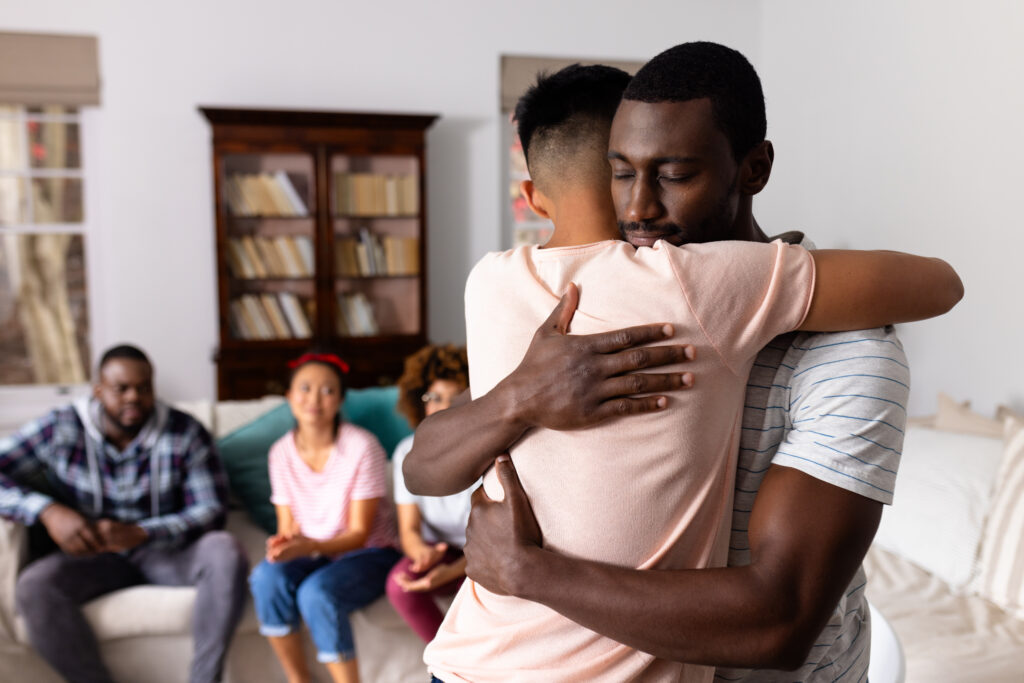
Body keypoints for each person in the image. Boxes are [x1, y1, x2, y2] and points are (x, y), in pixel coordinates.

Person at [407, 50, 961, 682]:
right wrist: (520, 397)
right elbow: (424, 467)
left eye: (673, 174)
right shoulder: (579, 309)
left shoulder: (851, 355)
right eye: (618, 173)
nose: (637, 209)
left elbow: (778, 620)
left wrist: (529, 571)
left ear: (754, 168)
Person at [0, 344, 248, 683]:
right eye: (122, 389)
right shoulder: (60, 427)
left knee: (224, 548)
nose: (134, 397)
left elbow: (211, 511)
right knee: (33, 587)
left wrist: (144, 532)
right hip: (94, 557)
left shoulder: (186, 432)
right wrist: (47, 511)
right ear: (98, 390)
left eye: (144, 388)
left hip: (168, 552)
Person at [248, 350, 400, 683]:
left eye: (328, 390)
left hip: (369, 553)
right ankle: (298, 678)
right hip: (314, 551)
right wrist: (284, 544)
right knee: (265, 578)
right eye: (304, 388)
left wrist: (308, 547)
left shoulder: (363, 447)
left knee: (316, 593)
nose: (314, 399)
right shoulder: (280, 453)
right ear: (288, 396)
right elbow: (287, 525)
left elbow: (360, 533)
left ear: (341, 400)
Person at [385, 344, 472, 642]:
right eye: (434, 398)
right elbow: (408, 528)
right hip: (440, 551)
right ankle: (447, 659)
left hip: (486, 553)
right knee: (400, 586)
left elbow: (495, 539)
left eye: (454, 398)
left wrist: (454, 571)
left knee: (477, 593)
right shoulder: (405, 453)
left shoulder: (490, 451)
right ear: (420, 402)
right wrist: (421, 555)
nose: (443, 407)